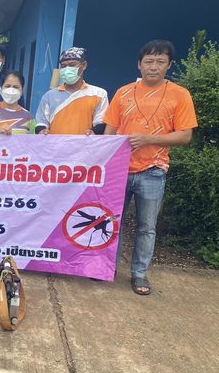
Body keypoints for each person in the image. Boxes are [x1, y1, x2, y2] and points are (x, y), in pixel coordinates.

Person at [104, 40, 198, 296]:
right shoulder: (123, 92)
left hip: (154, 170)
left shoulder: (180, 95)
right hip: (119, 171)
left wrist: (148, 139)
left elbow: (185, 136)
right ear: (139, 64)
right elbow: (109, 131)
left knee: (147, 227)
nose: (153, 67)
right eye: (148, 61)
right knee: (111, 222)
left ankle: (139, 273)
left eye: (160, 62)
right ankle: (108, 267)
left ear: (169, 65)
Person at [35, 47, 108, 135]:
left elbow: (100, 124)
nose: (67, 69)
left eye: (72, 65)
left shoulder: (98, 94)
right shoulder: (49, 96)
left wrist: (93, 132)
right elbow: (41, 123)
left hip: (85, 144)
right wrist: (42, 131)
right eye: (63, 66)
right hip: (55, 144)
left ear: (84, 65)